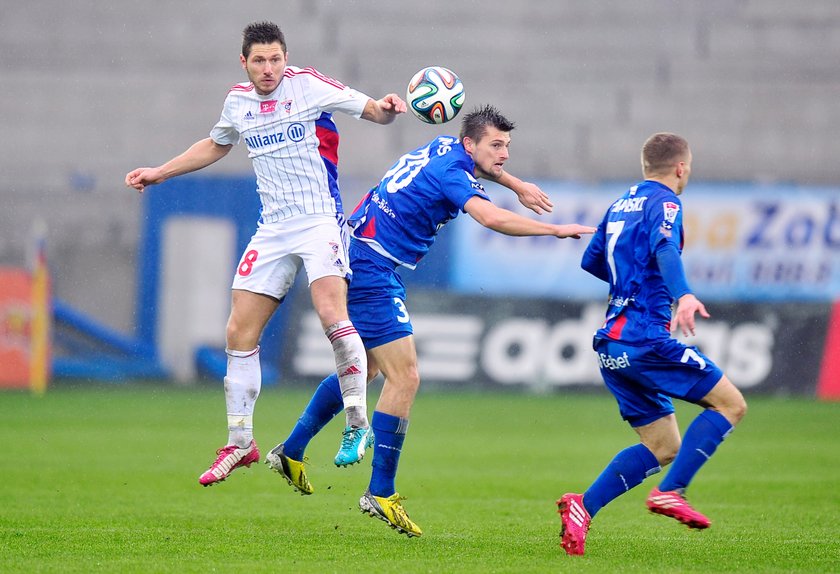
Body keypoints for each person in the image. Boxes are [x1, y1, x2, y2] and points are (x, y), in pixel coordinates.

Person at [264, 104, 596, 537]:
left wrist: (515, 184)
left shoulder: (444, 146)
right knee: (406, 378)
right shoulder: (453, 174)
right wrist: (555, 231)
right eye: (497, 145)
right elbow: (489, 217)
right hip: (372, 268)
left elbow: (482, 170)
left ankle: (290, 451)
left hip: (359, 250)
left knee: (368, 366)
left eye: (508, 146)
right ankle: (380, 492)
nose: (505, 154)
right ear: (470, 144)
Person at [125, 21, 406, 487]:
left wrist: (389, 109)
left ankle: (357, 419)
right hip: (273, 227)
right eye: (259, 60)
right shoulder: (237, 101)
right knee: (239, 330)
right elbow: (216, 143)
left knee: (331, 312)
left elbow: (371, 110)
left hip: (319, 220)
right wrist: (160, 172)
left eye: (275, 58)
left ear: (285, 57)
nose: (269, 68)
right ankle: (240, 442)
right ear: (245, 62)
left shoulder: (309, 85)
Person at [557, 133, 748, 556]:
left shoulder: (620, 203)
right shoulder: (667, 203)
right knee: (731, 405)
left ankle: (582, 508)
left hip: (611, 345)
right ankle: (672, 491)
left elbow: (592, 261)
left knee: (665, 446)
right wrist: (681, 294)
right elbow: (664, 245)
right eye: (689, 166)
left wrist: (630, 283)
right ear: (680, 167)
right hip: (645, 338)